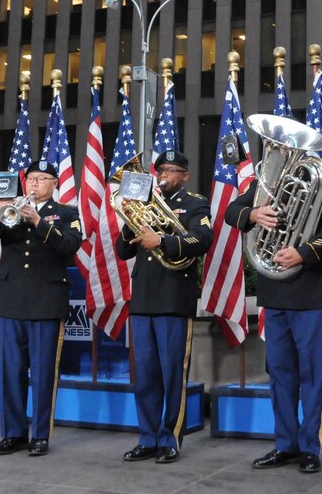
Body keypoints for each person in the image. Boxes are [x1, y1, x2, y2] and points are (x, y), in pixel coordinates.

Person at [225, 148, 322, 475]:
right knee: (279, 374)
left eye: (283, 147)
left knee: (311, 374)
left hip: (310, 290)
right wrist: (254, 215)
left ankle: (310, 448)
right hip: (274, 290)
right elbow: (232, 211)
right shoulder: (265, 182)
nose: (277, 152)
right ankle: (285, 444)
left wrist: (304, 252)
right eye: (274, 148)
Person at [0, 159, 82, 457]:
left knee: (44, 372)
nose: (35, 183)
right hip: (10, 299)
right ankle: (12, 433)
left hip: (46, 301)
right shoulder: (12, 208)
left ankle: (40, 435)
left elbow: (70, 245)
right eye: (32, 178)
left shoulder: (66, 213)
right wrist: (0, 212)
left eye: (42, 178)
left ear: (55, 183)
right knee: (10, 371)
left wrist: (38, 221)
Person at [115, 150, 213, 464]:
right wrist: (132, 217)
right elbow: (122, 251)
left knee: (173, 375)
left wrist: (164, 242)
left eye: (172, 171)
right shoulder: (144, 201)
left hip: (174, 297)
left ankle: (170, 439)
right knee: (144, 376)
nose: (164, 175)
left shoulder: (196, 202)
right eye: (161, 170)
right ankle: (147, 438)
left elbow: (203, 239)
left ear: (184, 175)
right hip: (143, 297)